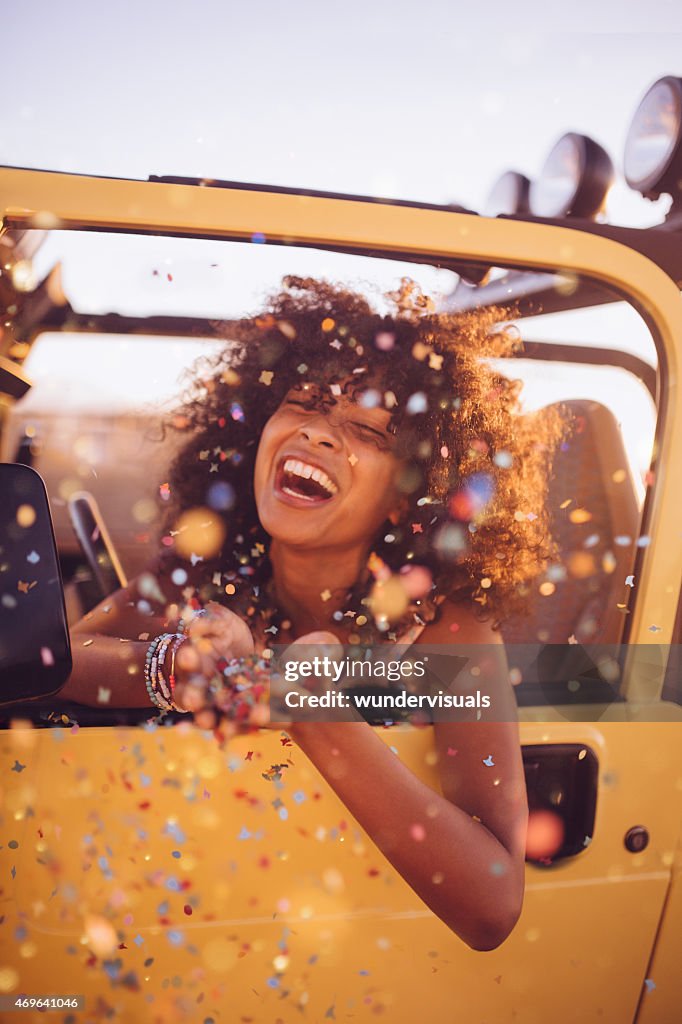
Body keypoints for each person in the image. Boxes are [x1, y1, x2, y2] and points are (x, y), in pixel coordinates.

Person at [61, 276, 562, 951]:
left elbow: (493, 904)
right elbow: (50, 659)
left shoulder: (445, 630)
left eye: (365, 430)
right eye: (305, 404)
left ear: (411, 494)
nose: (318, 435)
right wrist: (183, 669)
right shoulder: (207, 571)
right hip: (194, 936)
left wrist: (304, 706)